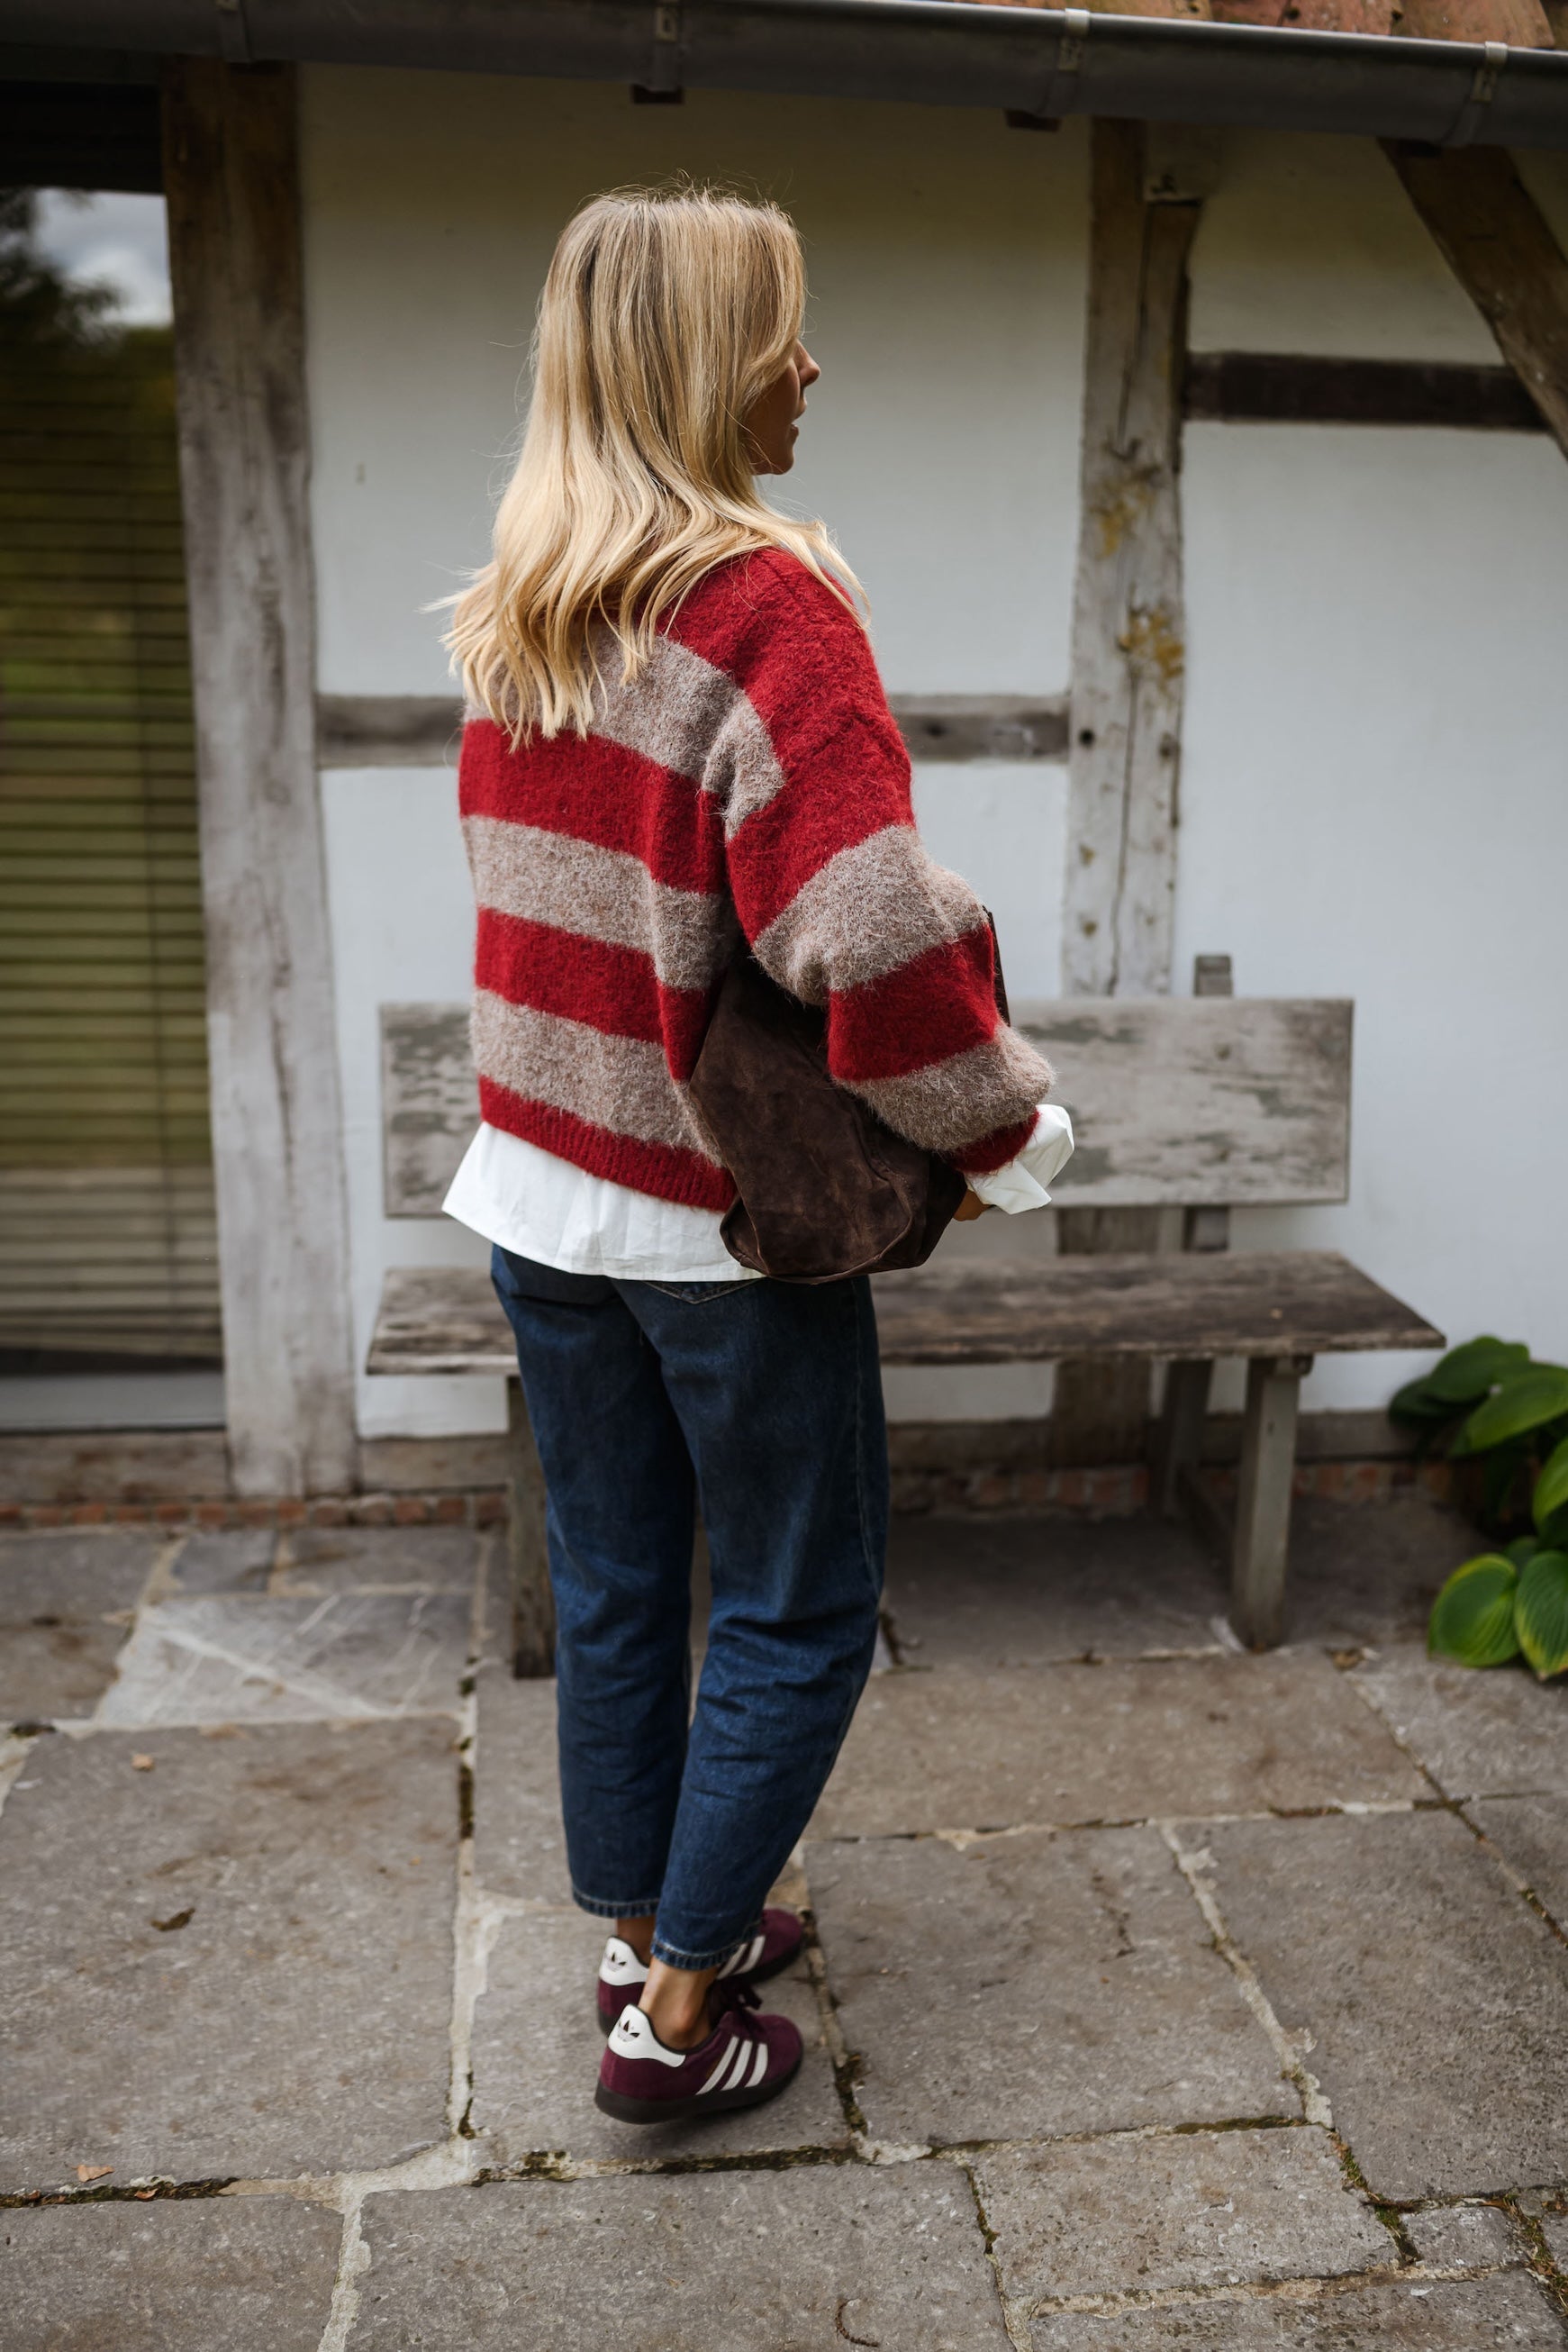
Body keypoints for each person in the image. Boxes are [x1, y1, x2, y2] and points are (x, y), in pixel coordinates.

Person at [442, 185, 1071, 2126]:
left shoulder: (522, 606)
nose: (812, 364)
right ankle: (677, 2022)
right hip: (710, 1231)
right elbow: (861, 924)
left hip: (536, 1200)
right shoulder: (762, 602)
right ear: (703, 367)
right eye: (781, 330)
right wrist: (1004, 1128)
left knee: (626, 1590)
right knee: (800, 1602)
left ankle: (644, 1930)